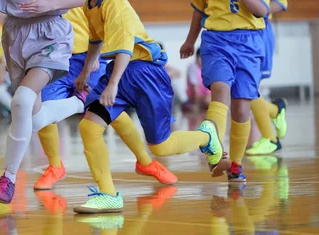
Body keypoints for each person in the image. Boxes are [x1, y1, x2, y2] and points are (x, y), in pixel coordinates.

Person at [72, 0, 227, 214]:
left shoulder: (113, 4)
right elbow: (95, 39)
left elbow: (125, 49)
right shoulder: (88, 6)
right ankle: (108, 195)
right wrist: (86, 72)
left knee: (160, 147)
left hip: (146, 74)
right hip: (121, 71)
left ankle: (206, 137)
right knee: (89, 127)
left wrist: (113, 84)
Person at [34, 7, 177, 191]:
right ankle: (55, 166)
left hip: (88, 56)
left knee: (110, 110)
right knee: (43, 110)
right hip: (55, 57)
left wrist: (95, 54)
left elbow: (100, 20)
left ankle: (145, 161)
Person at [0, 0, 93, 204]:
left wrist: (49, 5)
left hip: (50, 32)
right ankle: (78, 103)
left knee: (21, 101)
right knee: (35, 119)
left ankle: (8, 178)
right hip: (14, 33)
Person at [180, 0, 270, 181]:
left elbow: (262, 10)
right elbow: (199, 10)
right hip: (217, 41)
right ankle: (216, 154)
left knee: (242, 109)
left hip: (249, 42)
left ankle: (235, 165)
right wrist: (190, 41)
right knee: (220, 90)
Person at [246, 0, 288, 155]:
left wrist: (254, 8)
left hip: (258, 32)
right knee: (242, 89)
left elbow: (281, 4)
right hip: (237, 34)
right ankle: (275, 110)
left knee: (248, 88)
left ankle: (270, 138)